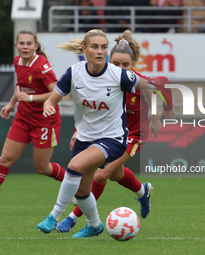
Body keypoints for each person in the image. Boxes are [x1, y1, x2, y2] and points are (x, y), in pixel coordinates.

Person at [36, 29, 161, 238]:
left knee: (98, 173)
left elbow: (152, 88)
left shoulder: (125, 78)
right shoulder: (77, 73)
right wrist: (73, 128)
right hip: (90, 137)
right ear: (85, 49)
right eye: (116, 63)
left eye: (125, 65)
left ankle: (61, 217)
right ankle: (131, 198)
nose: (120, 68)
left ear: (133, 64)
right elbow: (87, 110)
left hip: (124, 136)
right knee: (103, 181)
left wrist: (155, 117)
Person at [0, 30, 66, 212]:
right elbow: (21, 87)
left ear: (36, 46)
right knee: (5, 158)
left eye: (29, 43)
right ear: (16, 46)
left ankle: (75, 186)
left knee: (42, 167)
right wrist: (11, 103)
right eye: (22, 43)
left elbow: (57, 92)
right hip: (23, 118)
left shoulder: (41, 65)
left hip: (45, 121)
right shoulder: (17, 62)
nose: (25, 47)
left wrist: (31, 99)